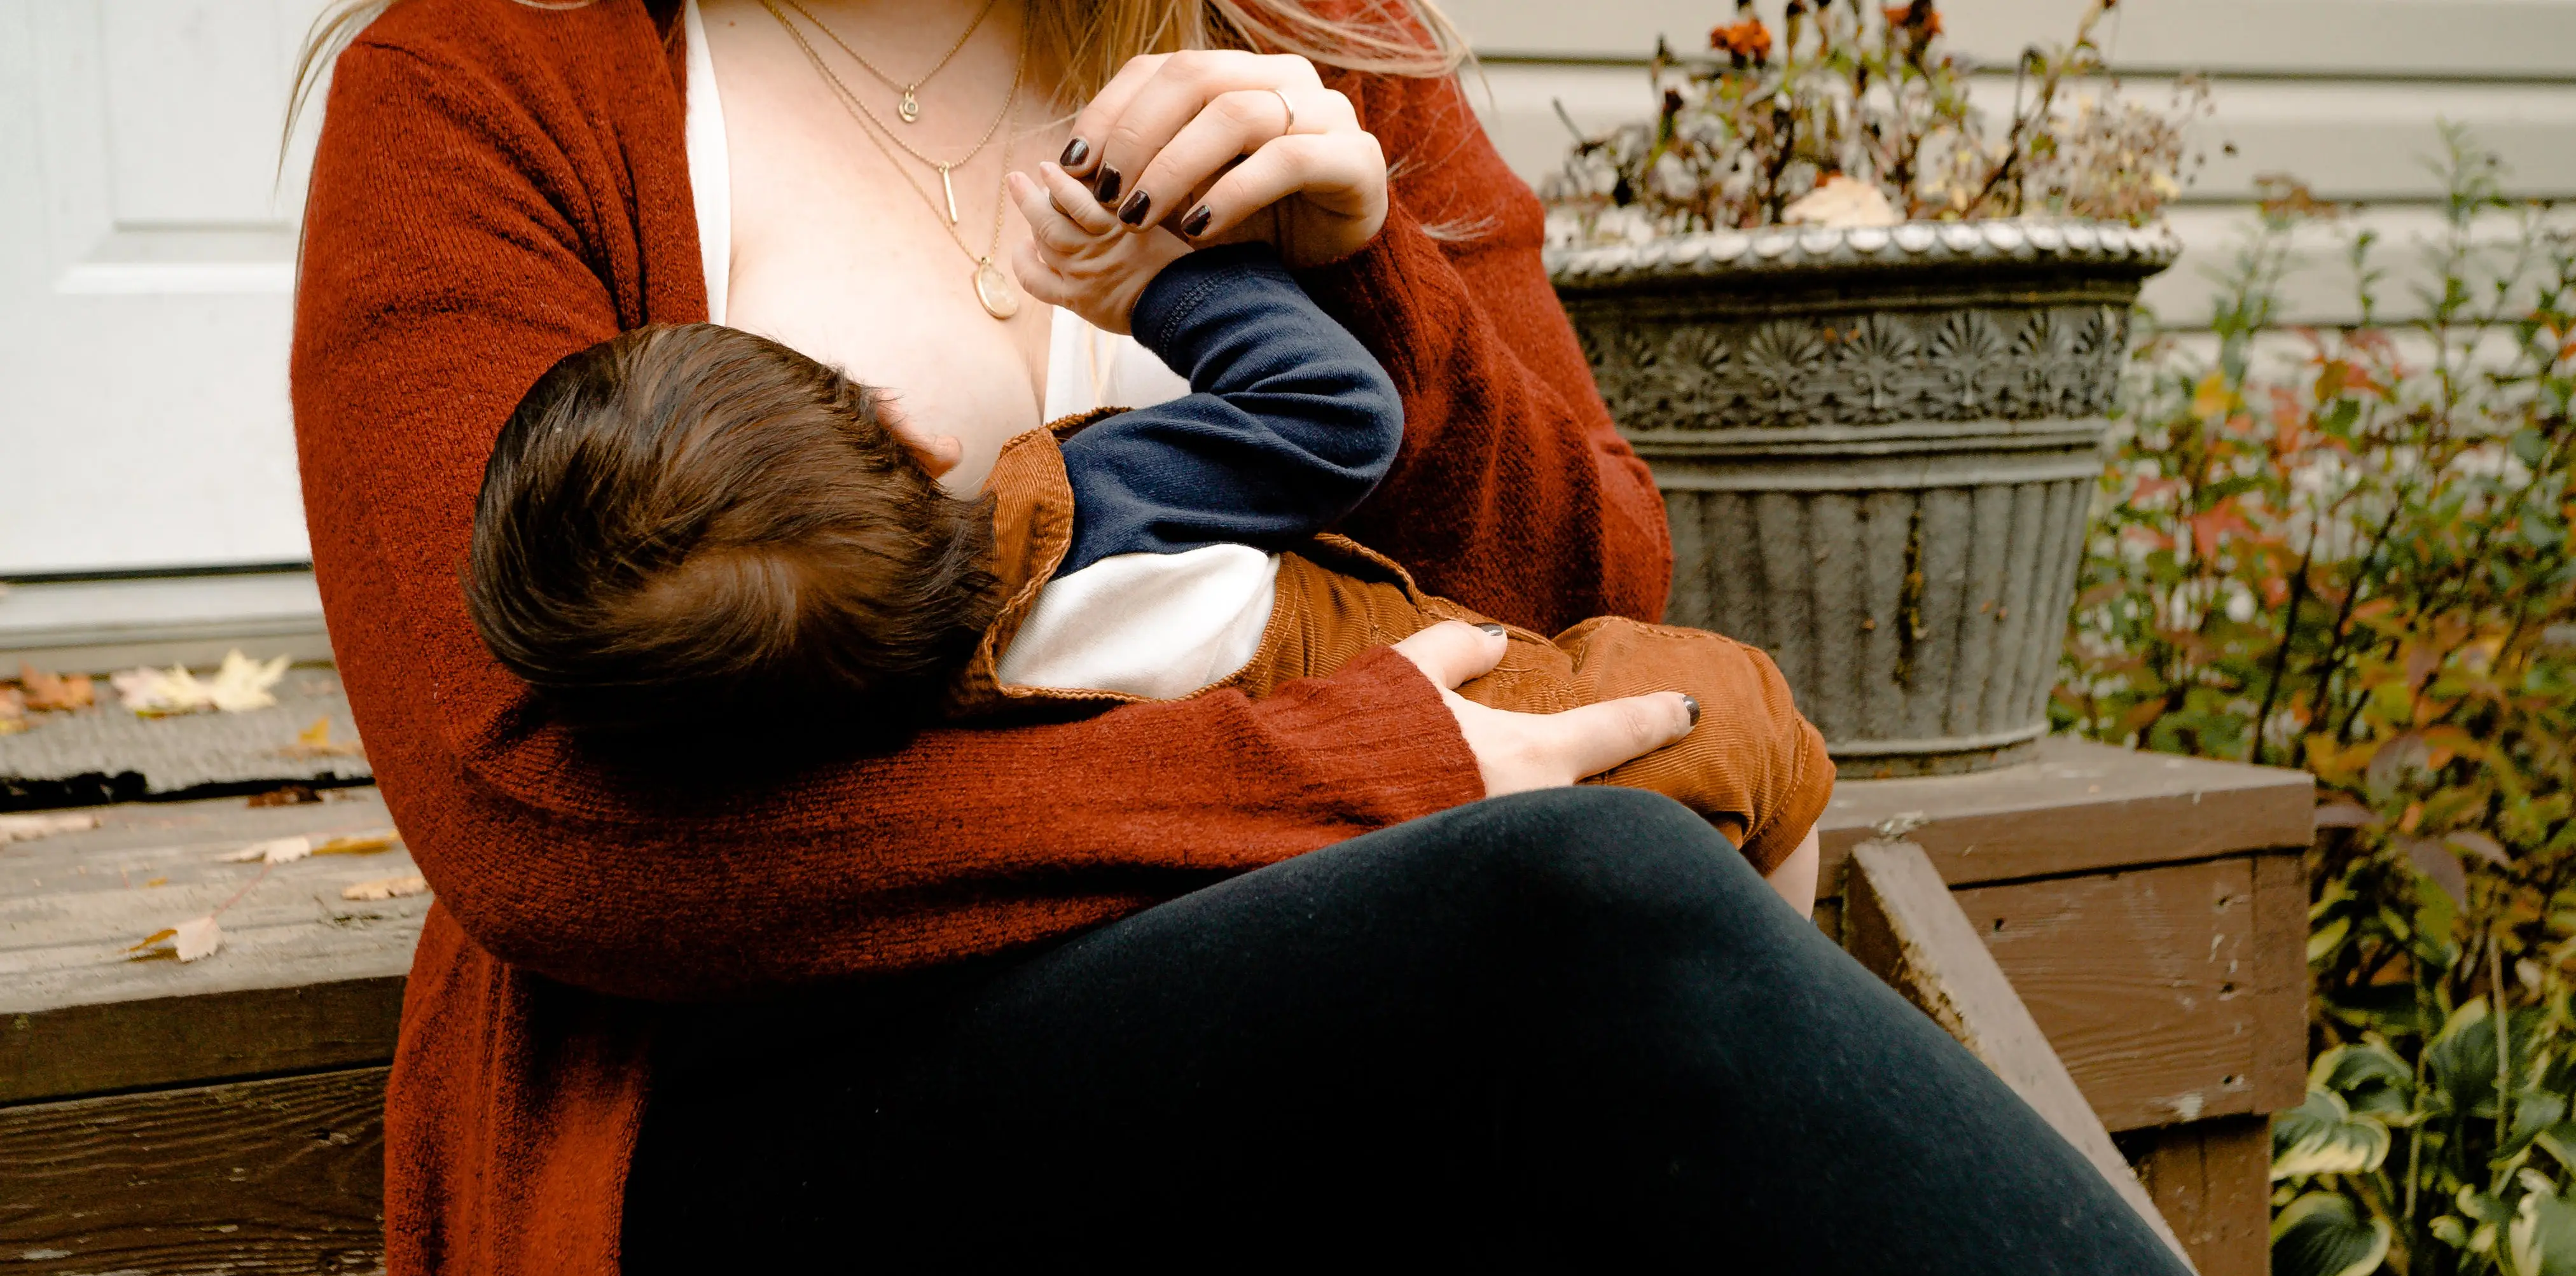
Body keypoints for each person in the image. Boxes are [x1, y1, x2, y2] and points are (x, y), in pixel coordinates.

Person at [287, 0, 2332, 1276]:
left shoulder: (1308, 42)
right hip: (785, 1144)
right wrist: (1358, 772)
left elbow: (1596, 589)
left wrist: (1363, 283)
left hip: (1333, 1091)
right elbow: (548, 822)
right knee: (1577, 912)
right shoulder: (494, 83)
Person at [464, 214, 1829, 889]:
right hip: (1531, 723)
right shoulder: (1084, 508)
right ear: (909, 432)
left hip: (1377, 881)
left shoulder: (879, 740)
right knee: (1757, 727)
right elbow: (1334, 416)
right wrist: (1161, 279)